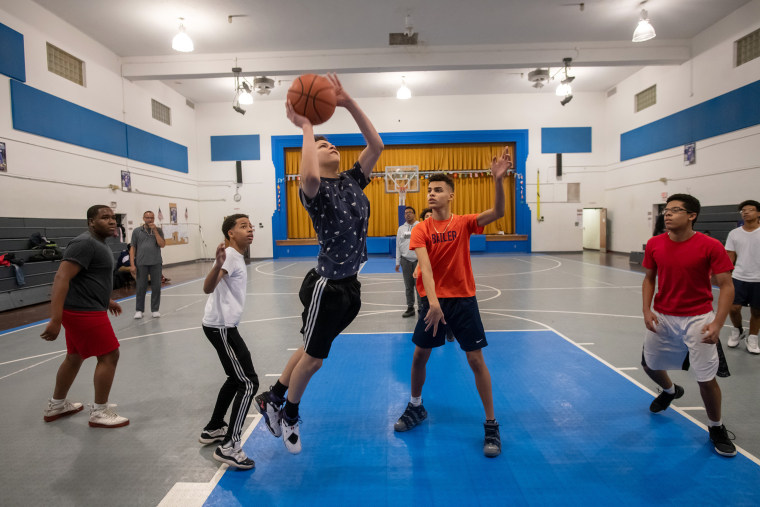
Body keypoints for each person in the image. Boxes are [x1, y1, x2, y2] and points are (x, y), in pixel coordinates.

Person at [255, 73, 383, 454]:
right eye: (323, 144)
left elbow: (376, 145)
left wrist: (347, 102)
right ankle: (288, 413)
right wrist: (308, 126)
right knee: (314, 361)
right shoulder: (314, 190)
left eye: (331, 142)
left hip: (350, 286)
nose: (331, 146)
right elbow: (308, 171)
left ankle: (273, 395)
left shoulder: (350, 181)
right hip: (327, 286)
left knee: (312, 348)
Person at [393, 147, 513, 458]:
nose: (431, 194)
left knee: (475, 361)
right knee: (420, 356)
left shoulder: (463, 223)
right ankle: (417, 407)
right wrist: (432, 303)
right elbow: (426, 267)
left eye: (438, 190)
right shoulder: (421, 229)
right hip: (436, 303)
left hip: (463, 301)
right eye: (430, 190)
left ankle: (491, 424)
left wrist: (498, 181)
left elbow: (497, 213)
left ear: (451, 196)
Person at [641, 194, 737, 457]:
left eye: (675, 210)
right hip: (663, 315)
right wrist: (646, 310)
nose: (667, 214)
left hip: (698, 318)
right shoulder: (654, 244)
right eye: (666, 210)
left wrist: (718, 322)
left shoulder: (710, 245)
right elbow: (649, 278)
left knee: (706, 379)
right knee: (649, 365)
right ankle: (671, 391)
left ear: (692, 215)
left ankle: (716, 427)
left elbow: (727, 285)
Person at [41, 204, 129, 428]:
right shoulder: (84, 243)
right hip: (83, 312)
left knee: (74, 357)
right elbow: (62, 278)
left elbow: (88, 278)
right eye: (104, 218)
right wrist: (55, 319)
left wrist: (106, 300)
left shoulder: (98, 243)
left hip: (88, 307)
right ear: (91, 222)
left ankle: (57, 405)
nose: (111, 221)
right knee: (109, 356)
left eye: (113, 218)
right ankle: (99, 412)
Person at [199, 214, 258, 470]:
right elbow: (208, 287)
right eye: (243, 226)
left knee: (235, 378)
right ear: (230, 233)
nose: (250, 229)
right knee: (248, 382)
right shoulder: (231, 256)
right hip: (221, 327)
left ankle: (213, 427)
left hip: (222, 326)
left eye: (250, 226)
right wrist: (217, 265)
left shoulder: (235, 255)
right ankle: (230, 446)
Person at [725, 199, 760, 354]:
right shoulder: (734, 233)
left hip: (758, 279)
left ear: (758, 213)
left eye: (750, 209)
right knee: (733, 308)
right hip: (738, 277)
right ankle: (738, 330)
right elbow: (730, 256)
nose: (746, 212)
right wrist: (725, 275)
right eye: (743, 210)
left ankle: (752, 338)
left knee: (757, 311)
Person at [130, 211, 166, 319]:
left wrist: (155, 230)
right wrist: (132, 264)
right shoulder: (137, 231)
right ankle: (139, 310)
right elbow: (132, 248)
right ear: (143, 218)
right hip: (141, 263)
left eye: (151, 217)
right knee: (141, 287)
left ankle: (155, 309)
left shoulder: (158, 230)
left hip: (156, 262)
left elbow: (162, 244)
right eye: (147, 217)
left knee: (156, 287)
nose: (149, 219)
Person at [396, 206, 420, 318]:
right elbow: (398, 246)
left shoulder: (420, 226)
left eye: (410, 212)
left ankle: (422, 308)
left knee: (419, 286)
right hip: (405, 261)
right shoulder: (401, 229)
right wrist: (397, 261)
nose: (407, 214)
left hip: (418, 261)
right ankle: (410, 308)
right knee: (408, 286)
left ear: (414, 214)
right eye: (405, 213)